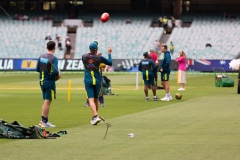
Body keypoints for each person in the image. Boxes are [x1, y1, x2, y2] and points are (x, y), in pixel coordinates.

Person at [82, 41, 112, 125]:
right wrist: (109, 53)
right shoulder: (100, 58)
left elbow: (90, 57)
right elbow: (110, 63)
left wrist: (95, 54)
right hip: (98, 81)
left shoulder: (84, 56)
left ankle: (95, 116)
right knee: (96, 99)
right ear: (97, 49)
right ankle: (95, 117)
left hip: (88, 81)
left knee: (90, 99)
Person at [37, 41, 61, 127]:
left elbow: (37, 69)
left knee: (46, 100)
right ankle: (44, 121)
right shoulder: (54, 58)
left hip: (42, 80)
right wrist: (58, 75)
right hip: (49, 82)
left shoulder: (41, 57)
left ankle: (44, 121)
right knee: (47, 101)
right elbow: (54, 71)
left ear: (47, 47)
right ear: (54, 48)